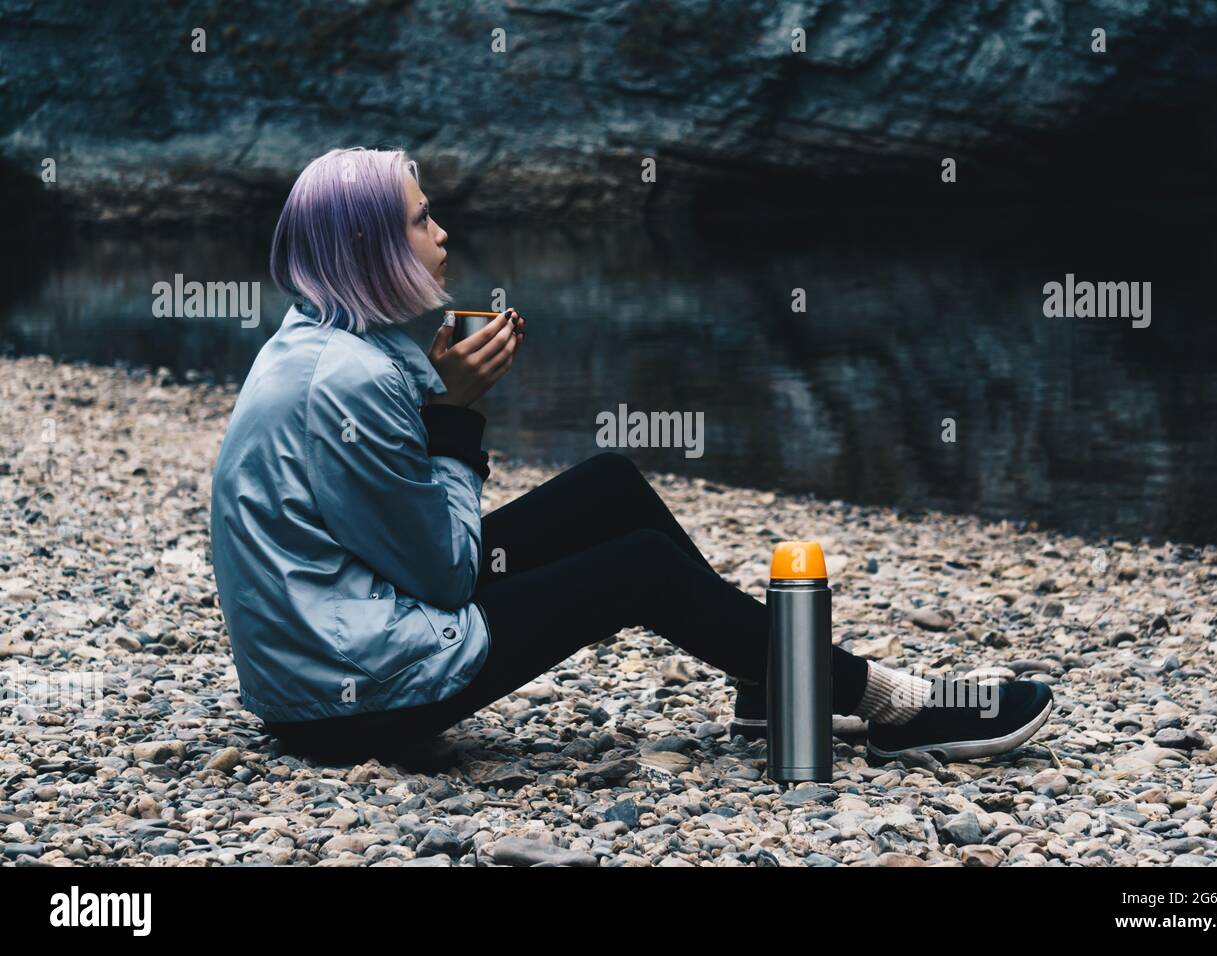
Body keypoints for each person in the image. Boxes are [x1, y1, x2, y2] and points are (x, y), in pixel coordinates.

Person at [209, 147, 1054, 771]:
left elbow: (396, 542)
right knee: (639, 568)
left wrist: (429, 394)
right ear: (370, 252)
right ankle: (889, 704)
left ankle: (771, 678)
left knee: (609, 487)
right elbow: (443, 576)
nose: (442, 230)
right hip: (350, 698)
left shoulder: (323, 343)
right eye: (421, 219)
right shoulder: (349, 384)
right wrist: (455, 420)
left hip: (328, 656)